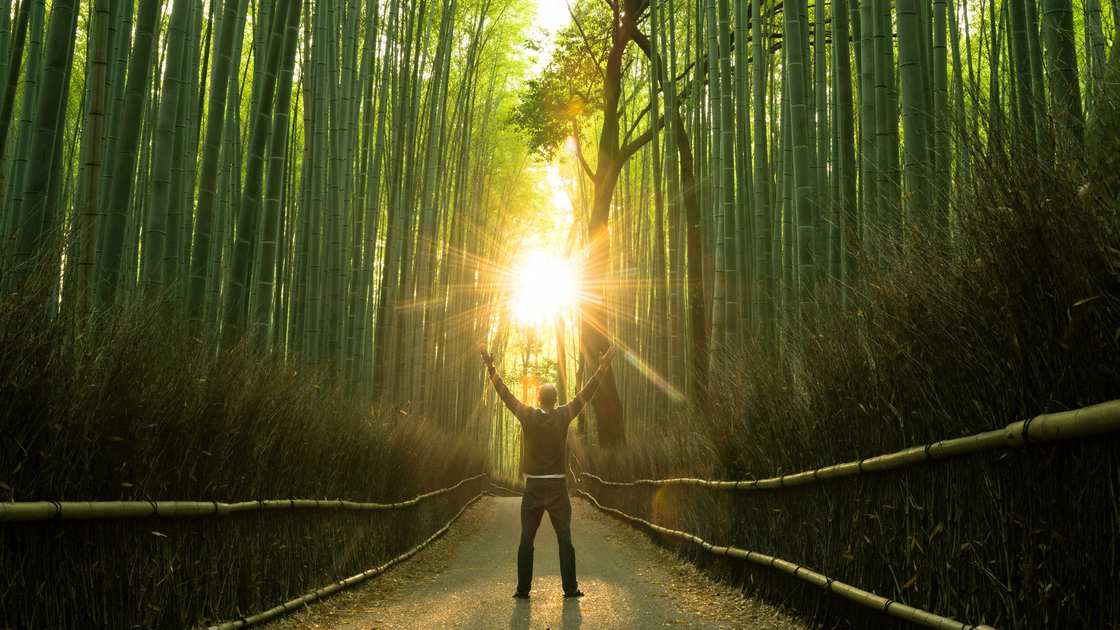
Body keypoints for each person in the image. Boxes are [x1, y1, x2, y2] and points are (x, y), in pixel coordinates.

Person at [480, 342, 617, 600]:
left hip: (532, 488)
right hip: (557, 488)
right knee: (564, 538)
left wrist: (491, 368)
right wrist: (601, 370)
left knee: (526, 540)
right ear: (555, 401)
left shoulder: (527, 415)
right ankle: (570, 588)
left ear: (538, 400)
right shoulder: (563, 415)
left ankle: (522, 590)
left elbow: (505, 395)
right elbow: (585, 395)